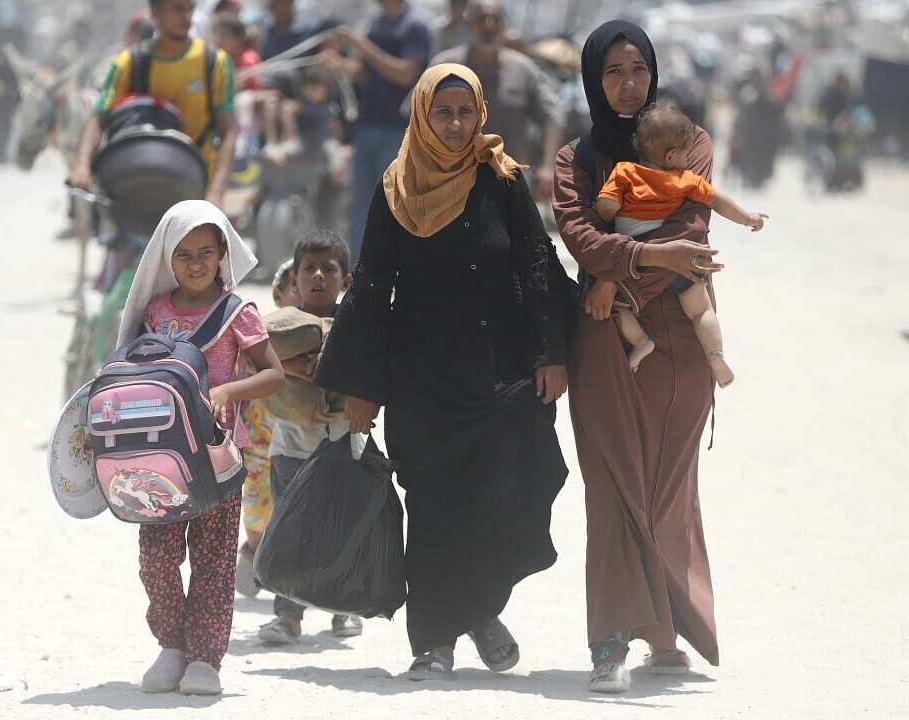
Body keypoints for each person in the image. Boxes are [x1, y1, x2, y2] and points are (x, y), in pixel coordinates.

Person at [314, 64, 574, 680]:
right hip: (422, 378)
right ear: (423, 115)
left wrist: (551, 352)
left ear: (480, 114)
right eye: (443, 113)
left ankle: (480, 609)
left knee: (502, 496)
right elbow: (373, 284)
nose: (455, 125)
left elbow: (536, 263)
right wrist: (361, 388)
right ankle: (435, 640)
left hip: (501, 373)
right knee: (433, 505)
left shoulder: (504, 181)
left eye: (465, 113)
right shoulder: (395, 187)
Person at [551, 20, 725, 694]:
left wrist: (616, 276)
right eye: (614, 72)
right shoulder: (575, 159)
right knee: (613, 488)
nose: (629, 85)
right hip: (602, 343)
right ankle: (610, 642)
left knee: (669, 490)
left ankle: (666, 633)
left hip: (678, 340)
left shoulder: (691, 143)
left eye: (639, 70)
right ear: (594, 79)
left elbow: (692, 229)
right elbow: (579, 236)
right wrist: (628, 267)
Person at [116, 200, 285, 695]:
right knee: (157, 559)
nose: (195, 264)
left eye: (205, 253)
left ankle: (204, 660)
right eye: (184, 254)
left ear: (222, 254)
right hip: (157, 464)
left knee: (212, 562)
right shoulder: (154, 311)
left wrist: (228, 391)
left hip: (216, 462)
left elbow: (273, 373)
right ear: (167, 258)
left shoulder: (238, 313)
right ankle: (171, 646)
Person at [595, 102, 766, 382]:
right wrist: (748, 218)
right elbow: (719, 202)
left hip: (640, 258)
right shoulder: (686, 179)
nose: (689, 158)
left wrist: (613, 209)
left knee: (618, 307)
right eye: (687, 153)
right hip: (680, 257)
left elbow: (606, 208)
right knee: (701, 310)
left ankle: (641, 342)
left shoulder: (625, 172)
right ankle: (715, 355)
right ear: (673, 155)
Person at [256, 230, 365, 644]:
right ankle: (287, 615)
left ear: (346, 279)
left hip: (345, 445)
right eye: (309, 269)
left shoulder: (356, 326)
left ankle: (344, 609)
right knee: (288, 531)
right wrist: (301, 367)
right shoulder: (282, 328)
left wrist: (331, 364)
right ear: (295, 278)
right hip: (291, 448)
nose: (318, 276)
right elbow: (257, 361)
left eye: (329, 269)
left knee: (343, 528)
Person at [69, 0, 238, 208]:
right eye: (177, 9)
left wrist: (216, 192)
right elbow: (98, 118)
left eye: (190, 9)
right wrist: (82, 165)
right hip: (138, 189)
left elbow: (229, 132)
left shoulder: (215, 62)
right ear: (155, 13)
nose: (187, 17)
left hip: (197, 189)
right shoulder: (129, 62)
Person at [323, 0, 433, 263]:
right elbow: (363, 73)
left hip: (399, 128)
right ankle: (358, 266)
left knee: (397, 201)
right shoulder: (375, 22)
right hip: (367, 125)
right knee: (362, 201)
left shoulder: (414, 25)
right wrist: (337, 64)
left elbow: (406, 74)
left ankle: (399, 265)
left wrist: (363, 47)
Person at [431, 1, 563, 200]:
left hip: (508, 180)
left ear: (505, 26)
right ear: (468, 24)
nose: (489, 25)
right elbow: (415, 115)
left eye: (496, 19)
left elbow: (551, 118)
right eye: (482, 18)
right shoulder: (443, 68)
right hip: (452, 180)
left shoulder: (523, 69)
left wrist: (547, 167)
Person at [235, 258, 300, 599]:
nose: (301, 293)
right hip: (259, 448)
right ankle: (253, 551)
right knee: (259, 517)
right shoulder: (260, 334)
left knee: (297, 513)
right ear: (277, 294)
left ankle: (289, 594)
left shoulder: (326, 333)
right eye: (294, 287)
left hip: (302, 446)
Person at [213, 14, 261, 91]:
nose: (219, 40)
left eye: (224, 35)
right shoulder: (219, 58)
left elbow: (246, 82)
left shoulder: (249, 58)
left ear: (238, 38)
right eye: (218, 35)